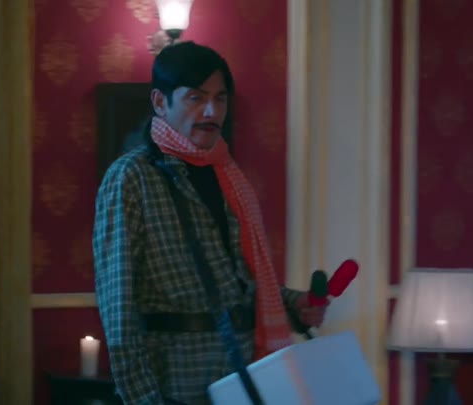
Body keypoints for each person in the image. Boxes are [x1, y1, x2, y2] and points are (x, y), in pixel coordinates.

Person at [93, 41, 326, 405]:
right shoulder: (131, 177)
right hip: (176, 382)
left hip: (243, 376)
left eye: (220, 98)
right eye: (196, 98)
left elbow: (237, 283)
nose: (211, 111)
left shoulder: (226, 173)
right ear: (160, 102)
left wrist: (295, 303)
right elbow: (118, 313)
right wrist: (145, 399)